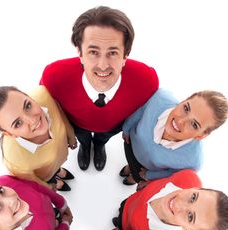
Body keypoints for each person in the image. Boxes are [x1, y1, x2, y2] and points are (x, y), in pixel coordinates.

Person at [40, 6, 159, 171]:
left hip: (114, 126)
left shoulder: (146, 80)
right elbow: (48, 108)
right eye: (93, 52)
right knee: (83, 137)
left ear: (125, 55)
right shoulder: (54, 76)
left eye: (112, 53)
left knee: (103, 138)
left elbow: (145, 112)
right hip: (77, 124)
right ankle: (85, 146)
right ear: (79, 53)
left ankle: (99, 146)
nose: (103, 66)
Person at [106, 169, 228, 230]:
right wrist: (149, 184)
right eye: (193, 197)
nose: (178, 205)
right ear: (197, 188)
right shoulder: (188, 177)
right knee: (121, 211)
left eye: (190, 217)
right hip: (130, 202)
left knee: (120, 226)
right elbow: (166, 179)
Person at [120, 88, 228, 186]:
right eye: (186, 108)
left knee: (136, 174)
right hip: (131, 143)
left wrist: (149, 176)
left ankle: (133, 178)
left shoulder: (192, 161)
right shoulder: (159, 98)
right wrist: (126, 128)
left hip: (145, 169)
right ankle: (129, 167)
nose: (180, 121)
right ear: (183, 101)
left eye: (194, 124)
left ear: (201, 135)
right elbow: (140, 111)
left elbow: (172, 173)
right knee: (131, 163)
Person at [0, 85, 77, 191]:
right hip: (46, 174)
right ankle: (56, 181)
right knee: (50, 177)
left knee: (56, 168)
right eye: (18, 123)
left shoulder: (43, 95)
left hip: (59, 156)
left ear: (31, 97)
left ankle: (59, 171)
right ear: (10, 134)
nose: (32, 121)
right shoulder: (14, 160)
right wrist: (49, 187)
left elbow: (60, 113)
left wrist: (71, 135)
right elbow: (33, 181)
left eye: (28, 106)